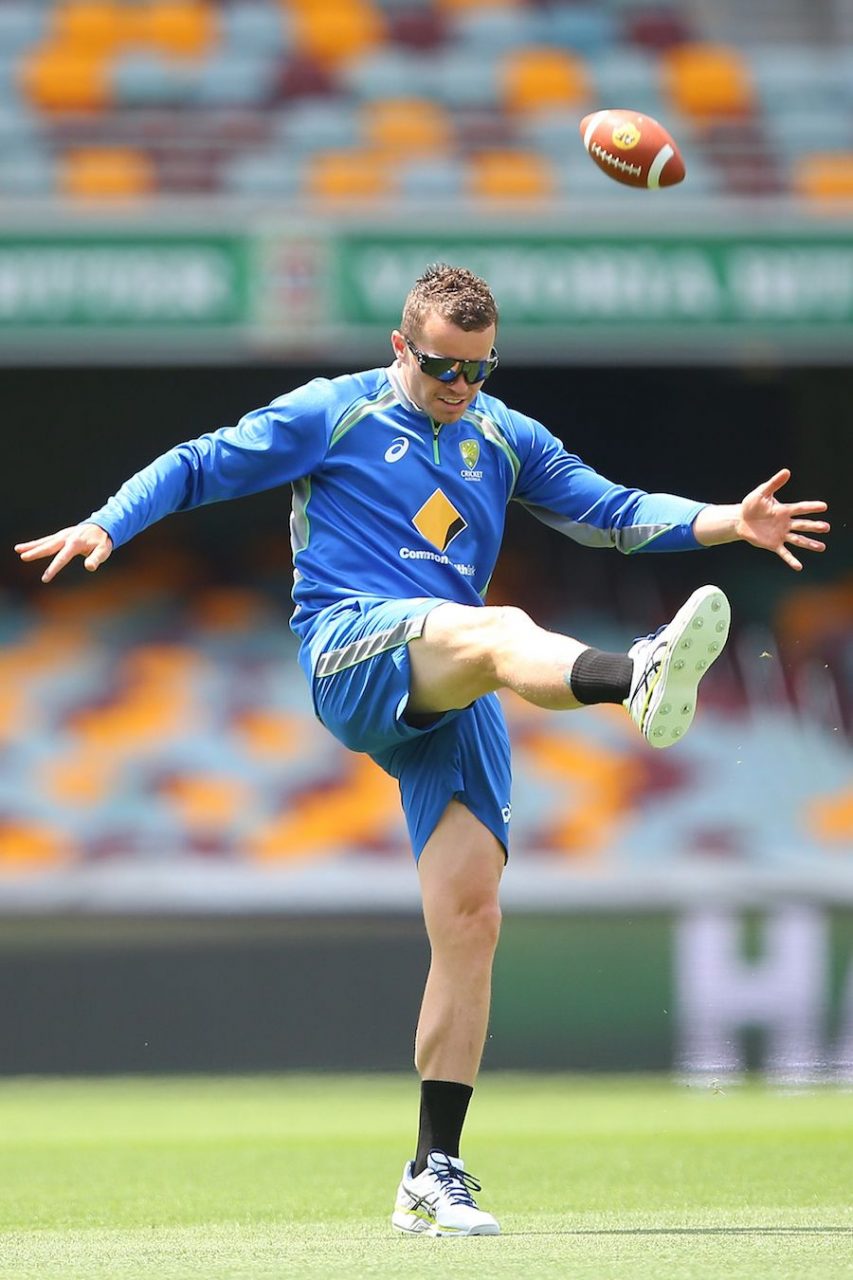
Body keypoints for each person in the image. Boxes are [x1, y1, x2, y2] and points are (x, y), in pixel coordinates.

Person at [15, 265, 830, 1238]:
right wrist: (111, 520)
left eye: (478, 369)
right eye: (442, 365)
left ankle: (430, 1168)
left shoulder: (501, 433)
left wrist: (724, 521)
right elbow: (199, 461)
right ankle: (632, 675)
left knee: (471, 916)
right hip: (352, 648)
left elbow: (608, 511)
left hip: (451, 670)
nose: (459, 385)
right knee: (496, 626)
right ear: (403, 347)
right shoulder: (336, 411)